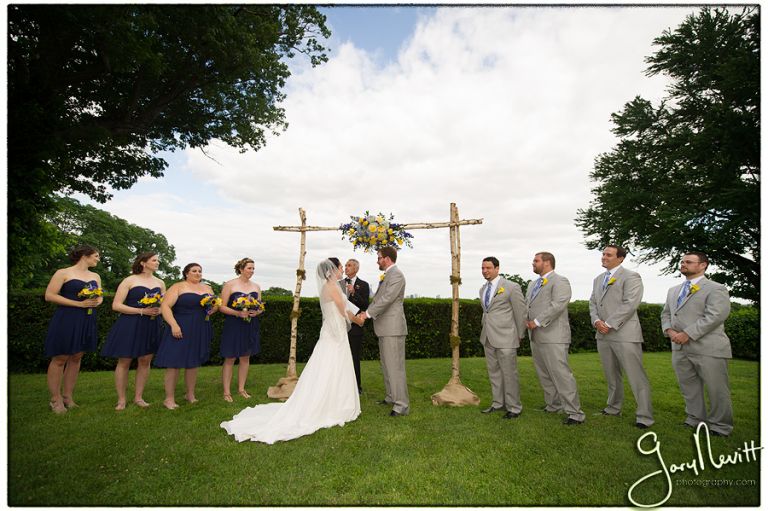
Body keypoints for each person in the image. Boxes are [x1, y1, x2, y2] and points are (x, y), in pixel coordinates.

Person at [221, 258, 363, 443]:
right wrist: (359, 319)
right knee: (332, 365)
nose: (342, 270)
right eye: (340, 267)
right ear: (332, 270)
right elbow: (343, 309)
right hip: (335, 333)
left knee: (330, 365)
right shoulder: (333, 287)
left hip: (333, 331)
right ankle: (331, 404)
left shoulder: (330, 287)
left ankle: (334, 400)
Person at [661, 251, 733, 437]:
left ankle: (720, 426)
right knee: (688, 386)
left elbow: (716, 316)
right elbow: (666, 314)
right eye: (682, 261)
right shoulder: (673, 290)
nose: (683, 264)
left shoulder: (716, 288)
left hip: (709, 347)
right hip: (679, 347)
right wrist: (670, 331)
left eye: (689, 262)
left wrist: (688, 334)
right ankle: (695, 419)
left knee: (717, 389)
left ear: (703, 265)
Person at [589, 245, 653, 429]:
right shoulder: (598, 279)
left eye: (608, 255)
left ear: (621, 258)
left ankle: (644, 416)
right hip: (602, 334)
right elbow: (593, 303)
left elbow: (630, 304)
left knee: (636, 377)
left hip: (625, 334)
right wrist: (596, 322)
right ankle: (613, 407)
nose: (604, 257)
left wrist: (608, 324)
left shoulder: (631, 276)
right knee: (611, 376)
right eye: (603, 254)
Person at [525, 252, 585, 425]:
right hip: (535, 336)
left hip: (554, 336)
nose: (533, 263)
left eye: (536, 260)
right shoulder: (532, 284)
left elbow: (558, 305)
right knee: (544, 374)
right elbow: (527, 306)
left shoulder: (560, 281)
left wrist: (536, 321)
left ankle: (575, 413)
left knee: (561, 374)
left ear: (547, 262)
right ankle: (553, 405)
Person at [101, 252, 166, 410]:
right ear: (143, 263)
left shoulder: (160, 282)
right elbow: (116, 305)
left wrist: (160, 310)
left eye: (157, 261)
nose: (157, 263)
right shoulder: (129, 280)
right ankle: (121, 399)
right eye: (154, 260)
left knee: (145, 360)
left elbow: (165, 304)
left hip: (151, 324)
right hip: (130, 323)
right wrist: (141, 311)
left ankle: (138, 397)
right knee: (125, 361)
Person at [43, 245, 103, 413]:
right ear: (85, 255)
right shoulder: (63, 273)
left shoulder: (95, 276)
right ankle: (55, 399)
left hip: (87, 318)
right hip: (67, 317)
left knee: (77, 356)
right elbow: (50, 295)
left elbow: (100, 296)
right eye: (96, 256)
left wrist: (97, 301)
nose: (98, 259)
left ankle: (68, 396)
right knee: (60, 357)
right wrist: (79, 304)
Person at [154, 262, 218, 409]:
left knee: (193, 363)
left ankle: (190, 394)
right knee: (174, 363)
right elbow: (165, 306)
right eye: (194, 271)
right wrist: (174, 325)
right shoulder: (178, 286)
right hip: (180, 326)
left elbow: (215, 305)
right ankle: (169, 399)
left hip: (200, 327)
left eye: (200, 271)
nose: (198, 273)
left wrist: (213, 309)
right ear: (186, 273)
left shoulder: (207, 288)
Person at [358, 246, 410, 417]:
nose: (377, 261)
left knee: (395, 367)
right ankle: (391, 396)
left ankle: (401, 405)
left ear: (387, 258)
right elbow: (379, 299)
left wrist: (367, 314)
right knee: (387, 365)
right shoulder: (388, 275)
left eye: (379, 257)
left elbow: (387, 299)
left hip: (392, 328)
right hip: (385, 328)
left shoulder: (397, 275)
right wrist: (366, 312)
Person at [478, 256, 527, 419]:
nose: (485, 271)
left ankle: (514, 407)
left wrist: (520, 334)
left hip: (506, 337)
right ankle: (498, 403)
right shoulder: (483, 289)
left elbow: (520, 312)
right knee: (494, 373)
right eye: (483, 268)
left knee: (509, 373)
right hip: (488, 337)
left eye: (488, 268)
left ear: (497, 269)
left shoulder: (511, 287)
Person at [219, 257, 263, 402]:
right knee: (230, 357)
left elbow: (260, 306)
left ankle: (241, 389)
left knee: (245, 357)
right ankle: (226, 391)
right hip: (234, 324)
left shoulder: (256, 286)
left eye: (253, 269)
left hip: (250, 324)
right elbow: (221, 306)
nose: (252, 271)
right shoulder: (229, 285)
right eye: (249, 268)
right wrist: (237, 313)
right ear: (241, 269)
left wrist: (257, 312)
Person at [344, 258, 369, 395]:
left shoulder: (364, 285)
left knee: (354, 356)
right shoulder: (339, 284)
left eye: (349, 265)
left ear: (356, 269)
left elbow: (365, 306)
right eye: (346, 265)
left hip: (355, 326)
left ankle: (356, 387)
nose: (346, 268)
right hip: (341, 326)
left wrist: (354, 292)